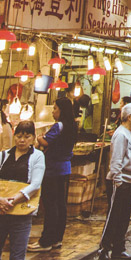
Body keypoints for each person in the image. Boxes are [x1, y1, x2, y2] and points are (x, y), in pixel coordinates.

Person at [29, 98, 77, 252]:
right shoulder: (72, 125)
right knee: (60, 205)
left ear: (61, 110)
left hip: (52, 169)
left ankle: (46, 241)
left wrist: (39, 138)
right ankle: (57, 239)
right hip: (65, 168)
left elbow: (45, 142)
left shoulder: (59, 126)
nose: (53, 111)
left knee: (50, 205)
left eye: (55, 108)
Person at [99, 104, 131, 260]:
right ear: (129, 116)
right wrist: (118, 181)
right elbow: (116, 160)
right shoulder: (120, 134)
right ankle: (104, 250)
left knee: (124, 216)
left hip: (130, 179)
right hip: (119, 181)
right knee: (114, 216)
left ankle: (119, 248)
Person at [0, 121, 45, 260]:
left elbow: (36, 184)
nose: (22, 140)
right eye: (19, 136)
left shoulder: (37, 156)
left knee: (18, 254)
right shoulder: (3, 155)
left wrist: (14, 200)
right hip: (1, 211)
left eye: (27, 136)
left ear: (33, 137)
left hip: (22, 212)